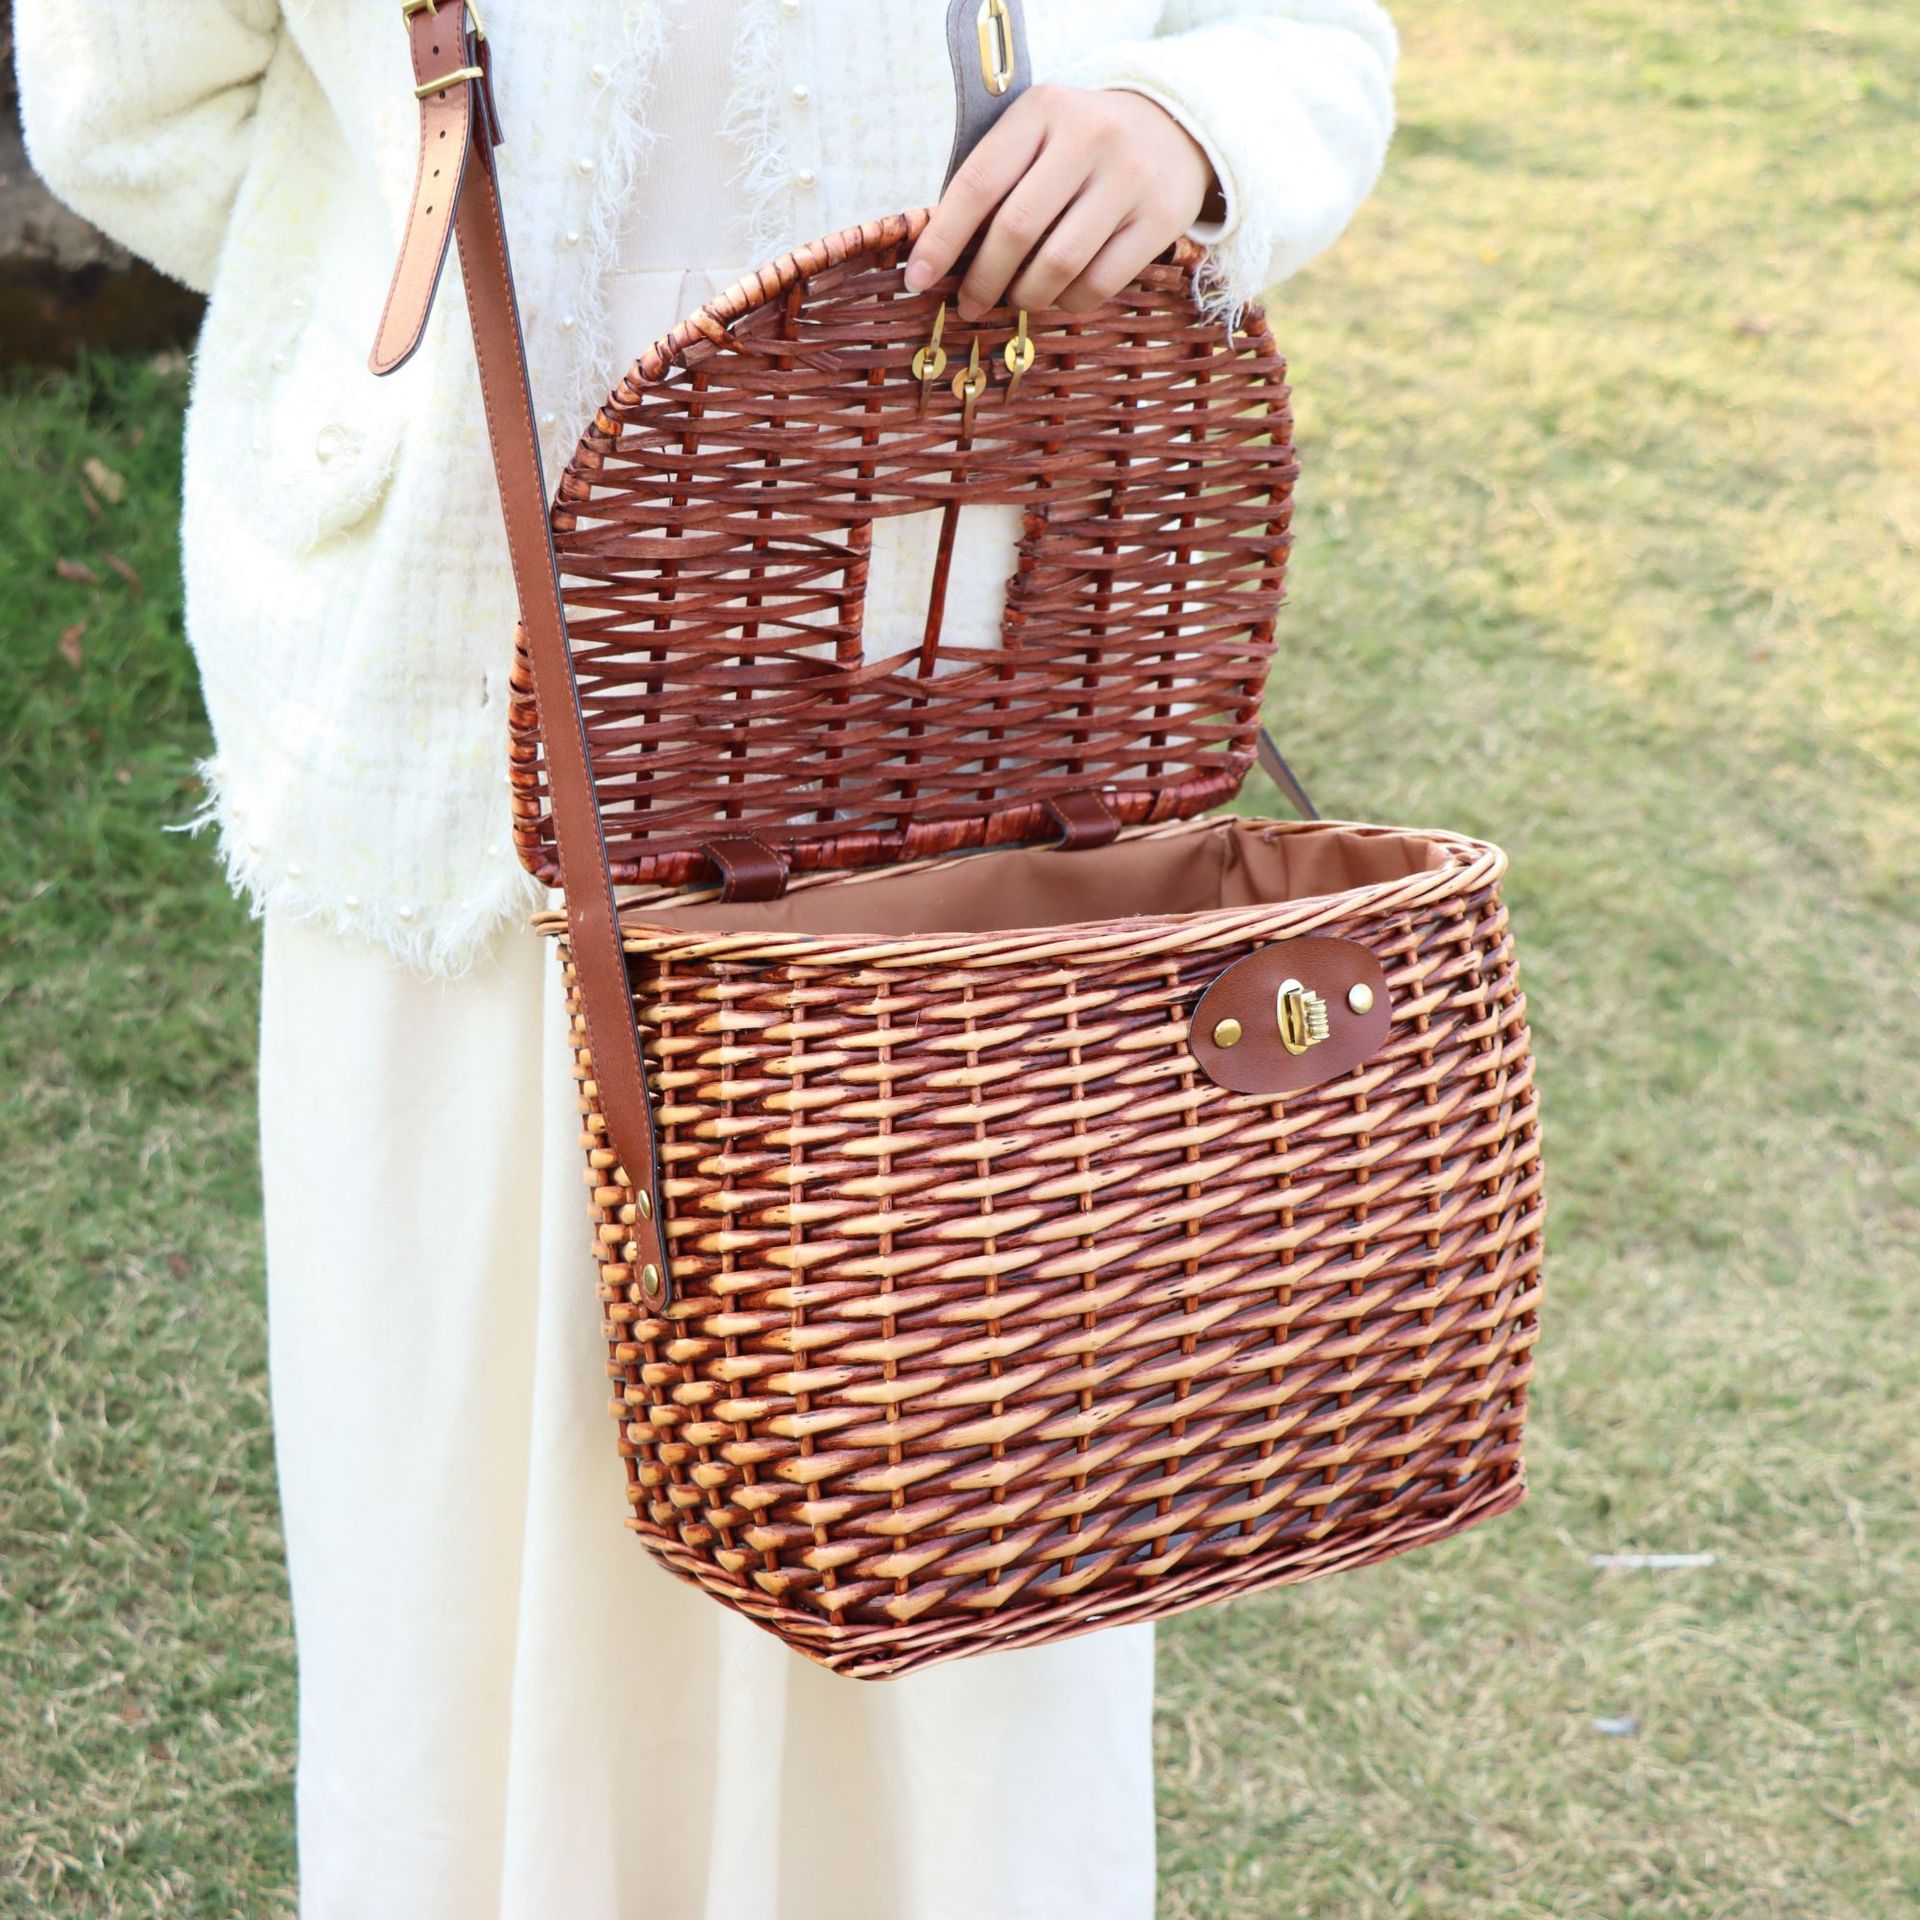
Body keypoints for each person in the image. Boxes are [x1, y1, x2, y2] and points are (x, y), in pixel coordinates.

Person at [15, 4, 1398, 1915]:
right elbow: (132, 100)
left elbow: (1298, 30)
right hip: (473, 692)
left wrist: (1188, 123)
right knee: (478, 1522)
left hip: (951, 728)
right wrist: (387, 288)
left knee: (954, 1514)